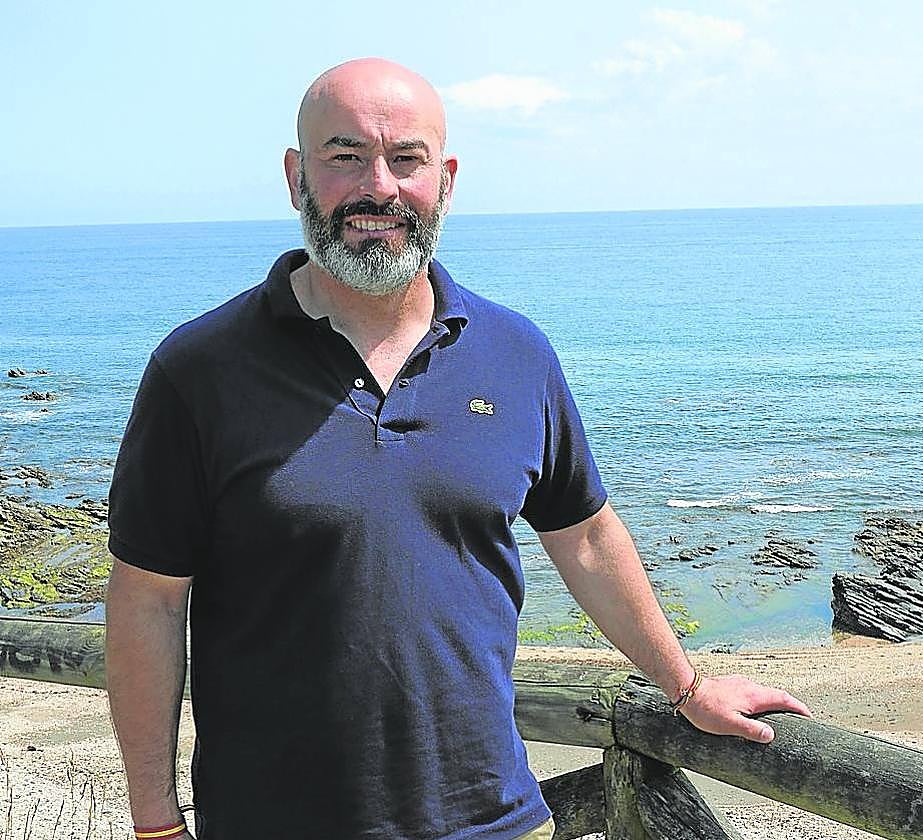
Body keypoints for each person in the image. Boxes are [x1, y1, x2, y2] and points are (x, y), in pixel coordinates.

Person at [105, 57, 811, 840]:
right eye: (345, 157)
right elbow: (147, 598)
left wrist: (688, 687)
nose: (379, 186)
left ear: (444, 179)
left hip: (496, 820)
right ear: (295, 175)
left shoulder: (515, 351)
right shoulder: (199, 368)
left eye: (405, 158)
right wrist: (155, 822)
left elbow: (585, 537)